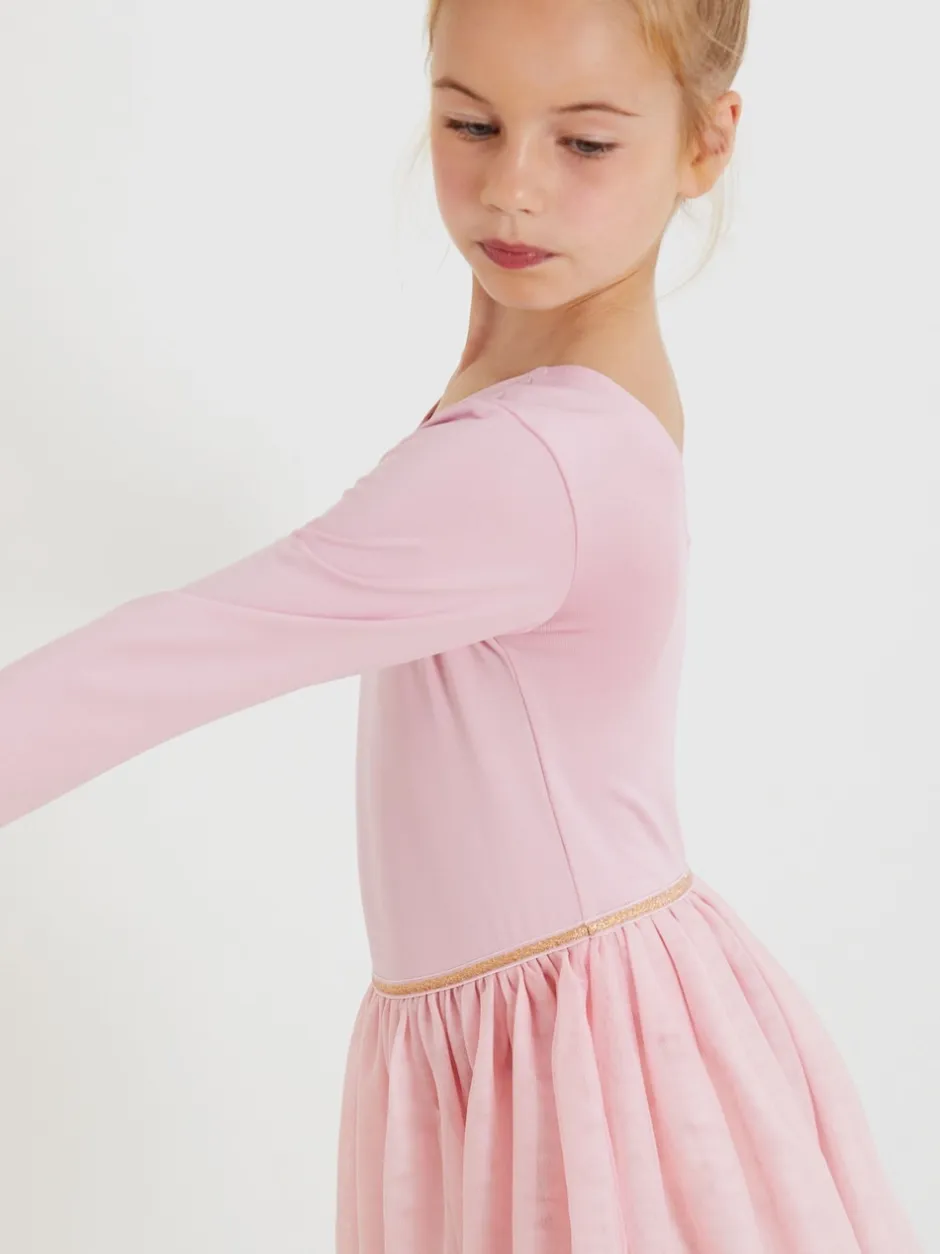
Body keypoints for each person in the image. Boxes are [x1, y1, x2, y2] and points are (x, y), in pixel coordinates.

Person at [0, 0, 926, 1251]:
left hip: (577, 1065)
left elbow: (182, 652)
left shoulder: (532, 457)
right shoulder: (566, 382)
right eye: (470, 124)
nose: (510, 189)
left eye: (584, 143)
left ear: (706, 143)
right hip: (543, 1019)